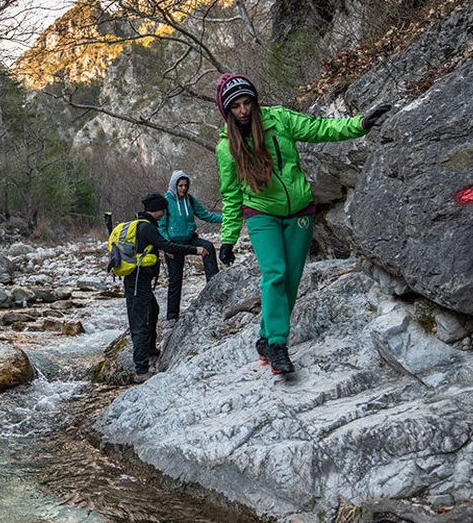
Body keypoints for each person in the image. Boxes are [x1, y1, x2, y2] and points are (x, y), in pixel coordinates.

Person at [214, 74, 391, 374]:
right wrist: (228, 238)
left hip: (299, 211)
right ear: (227, 110)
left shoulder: (280, 119)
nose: (243, 110)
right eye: (236, 106)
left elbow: (320, 128)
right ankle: (278, 345)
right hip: (261, 213)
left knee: (291, 281)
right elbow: (231, 195)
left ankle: (265, 336)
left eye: (247, 103)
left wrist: (359, 124)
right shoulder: (226, 148)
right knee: (275, 274)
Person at [125, 193, 208, 383]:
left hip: (138, 281)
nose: (164, 214)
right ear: (156, 209)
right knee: (139, 324)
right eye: (163, 210)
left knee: (153, 310)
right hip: (137, 281)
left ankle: (151, 349)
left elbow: (159, 246)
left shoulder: (141, 224)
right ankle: (141, 370)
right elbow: (168, 245)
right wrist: (195, 250)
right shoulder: (146, 228)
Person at [158, 170, 222, 321]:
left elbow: (205, 215)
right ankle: (172, 317)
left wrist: (227, 218)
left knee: (208, 247)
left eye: (186, 185)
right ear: (174, 185)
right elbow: (161, 227)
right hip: (173, 244)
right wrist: (167, 247)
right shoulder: (166, 202)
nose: (183, 188)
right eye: (180, 185)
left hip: (189, 239)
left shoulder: (190, 200)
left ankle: (213, 287)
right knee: (175, 280)